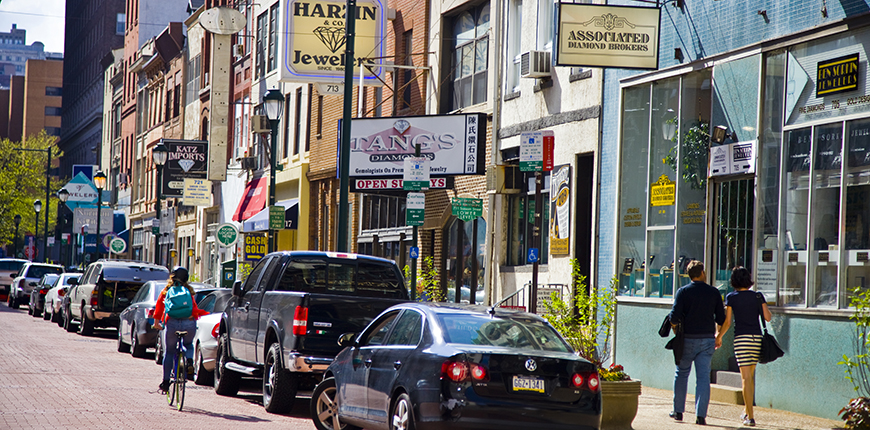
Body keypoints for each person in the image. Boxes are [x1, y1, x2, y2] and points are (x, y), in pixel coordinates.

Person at [668, 260, 726, 426]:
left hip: (687, 339)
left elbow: (674, 317)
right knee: (703, 377)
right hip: (707, 340)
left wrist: (675, 330)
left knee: (681, 373)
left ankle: (678, 412)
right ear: (702, 273)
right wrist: (718, 335)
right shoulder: (713, 292)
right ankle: (701, 416)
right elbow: (721, 318)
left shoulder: (683, 292)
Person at [716, 266, 772, 427]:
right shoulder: (757, 296)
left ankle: (751, 417)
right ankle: (747, 412)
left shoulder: (731, 297)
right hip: (756, 339)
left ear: (733, 280)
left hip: (741, 339)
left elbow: (727, 322)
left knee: (745, 378)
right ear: (748, 279)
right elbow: (767, 317)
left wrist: (719, 337)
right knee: (750, 378)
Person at [152, 266, 207, 393]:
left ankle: (165, 382)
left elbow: (159, 307)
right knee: (188, 344)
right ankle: (189, 361)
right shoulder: (188, 291)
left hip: (171, 323)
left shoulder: (166, 291)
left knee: (169, 352)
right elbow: (194, 309)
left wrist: (156, 323)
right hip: (189, 323)